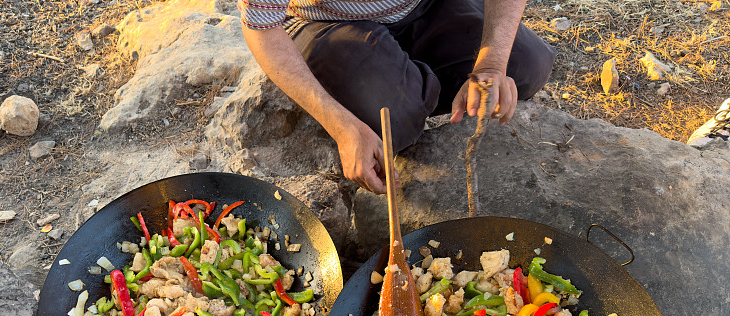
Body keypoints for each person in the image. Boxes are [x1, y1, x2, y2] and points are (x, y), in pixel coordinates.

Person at [238, 0, 556, 193]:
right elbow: (261, 28)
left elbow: (499, 64)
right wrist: (342, 126)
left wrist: (490, 65)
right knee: (393, 124)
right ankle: (401, 86)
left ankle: (407, 78)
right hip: (326, 18)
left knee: (527, 65)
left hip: (424, 6)